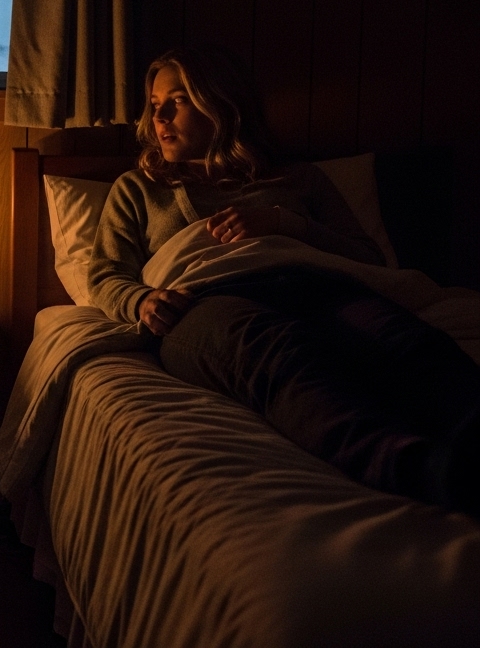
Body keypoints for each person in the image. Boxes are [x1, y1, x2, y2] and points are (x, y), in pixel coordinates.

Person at [88, 44, 480, 513]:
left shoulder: (300, 179)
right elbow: (106, 272)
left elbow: (369, 257)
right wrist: (142, 301)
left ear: (222, 102)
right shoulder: (140, 188)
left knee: (403, 341)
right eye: (155, 106)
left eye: (180, 100)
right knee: (284, 357)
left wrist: (283, 223)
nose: (161, 116)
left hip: (317, 287)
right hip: (210, 301)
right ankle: (421, 468)